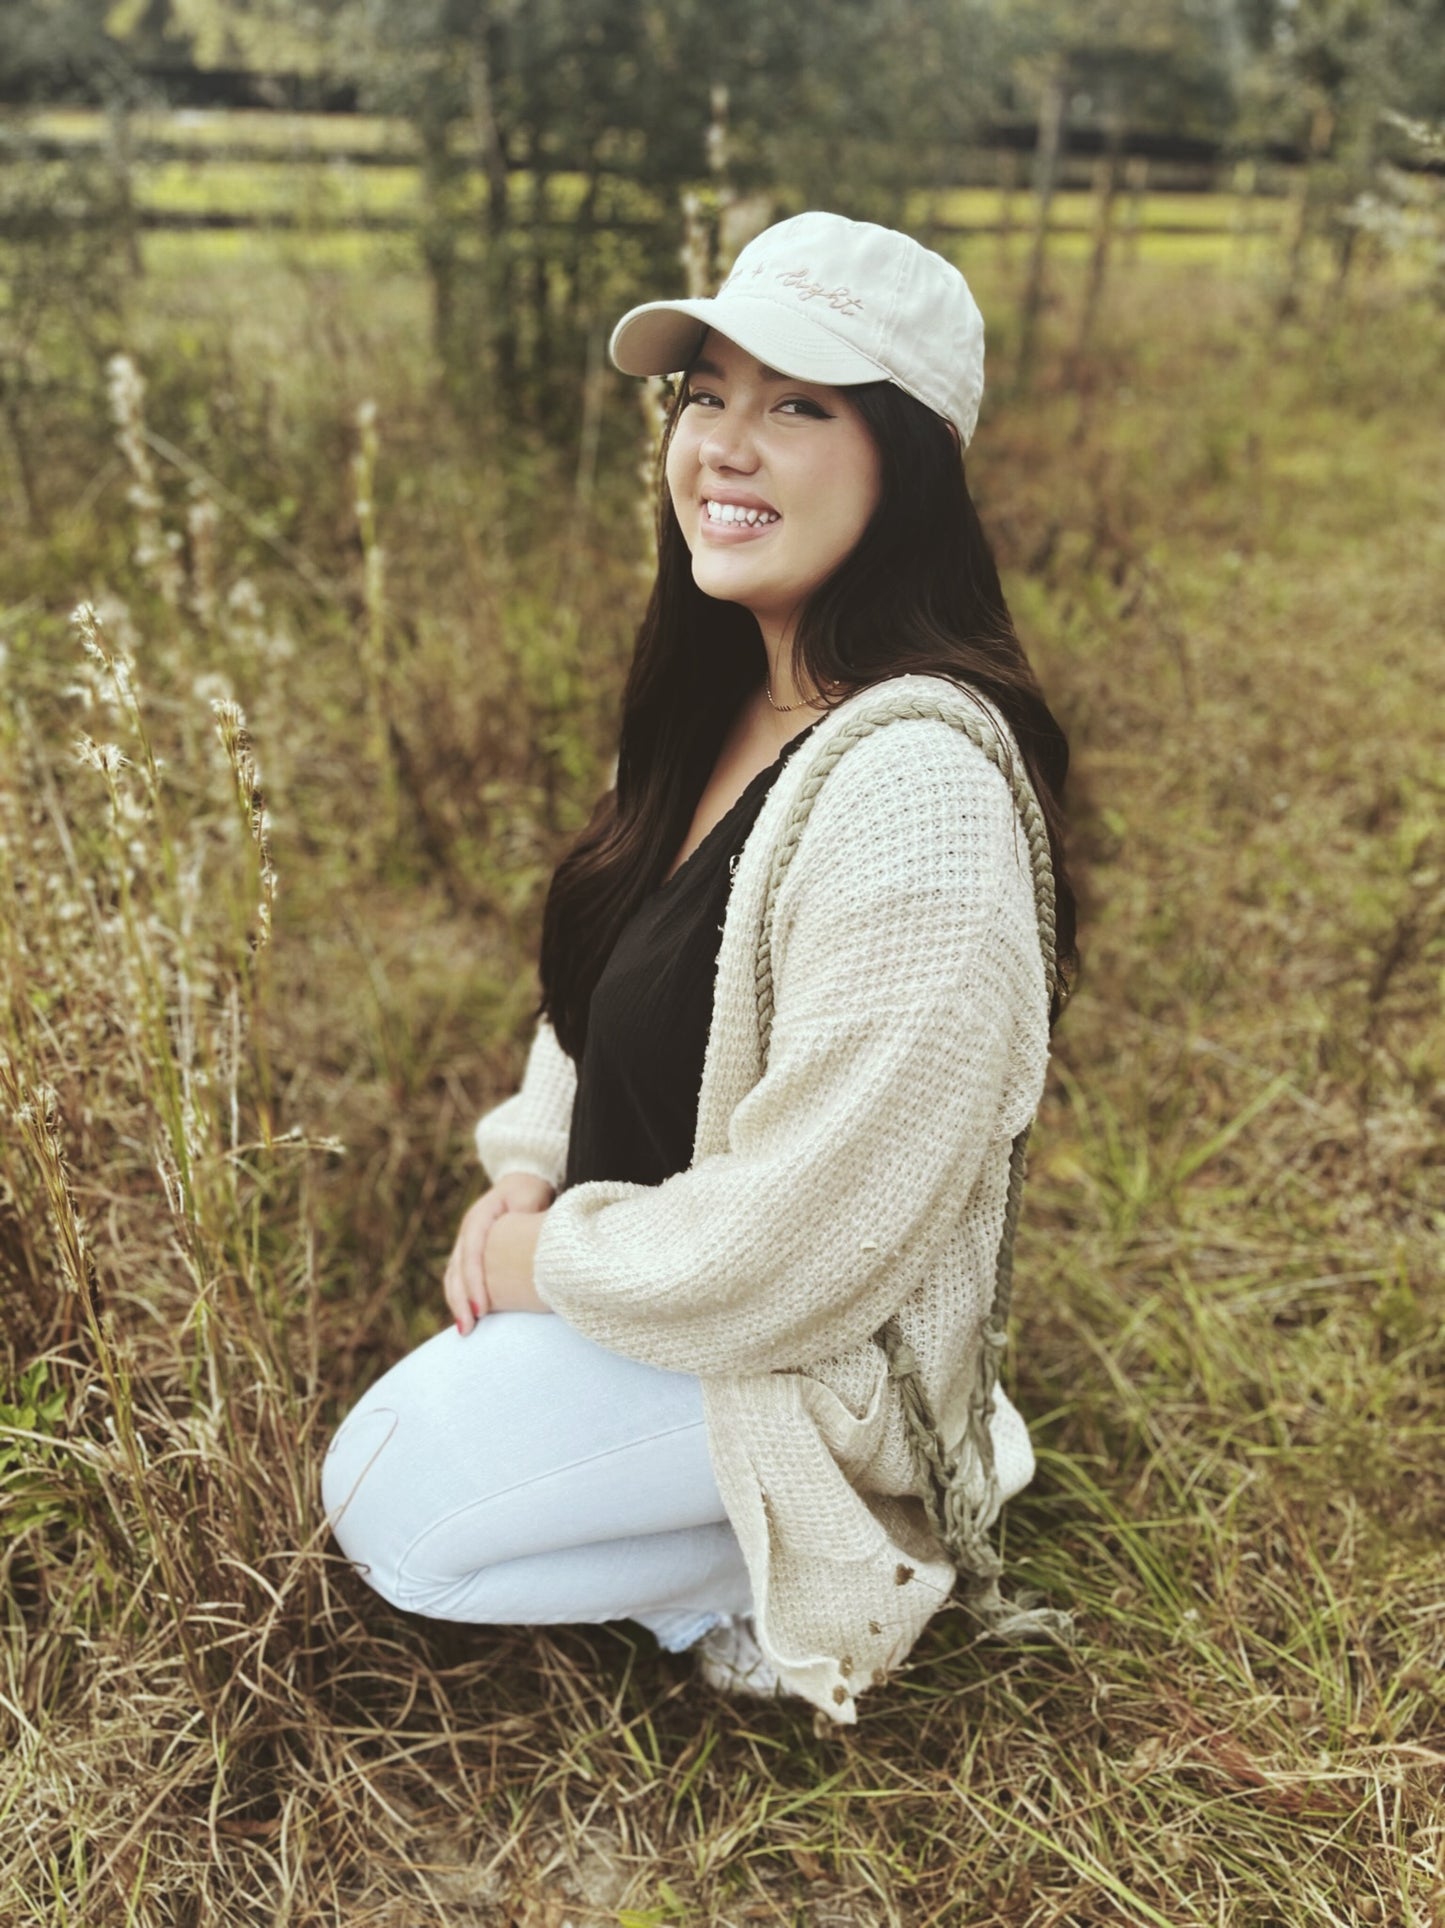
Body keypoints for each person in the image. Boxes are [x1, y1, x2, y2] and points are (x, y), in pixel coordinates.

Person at [322, 210, 1078, 1725]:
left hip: (796, 1336)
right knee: (406, 1458)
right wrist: (528, 1176)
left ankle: (803, 1543)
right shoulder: (716, 690)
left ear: (907, 462)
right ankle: (701, 1485)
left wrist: (544, 1269)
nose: (725, 446)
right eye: (705, 395)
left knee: (390, 1505)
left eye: (797, 405)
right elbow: (594, 992)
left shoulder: (917, 794)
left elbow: (805, 1242)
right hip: (658, 1271)